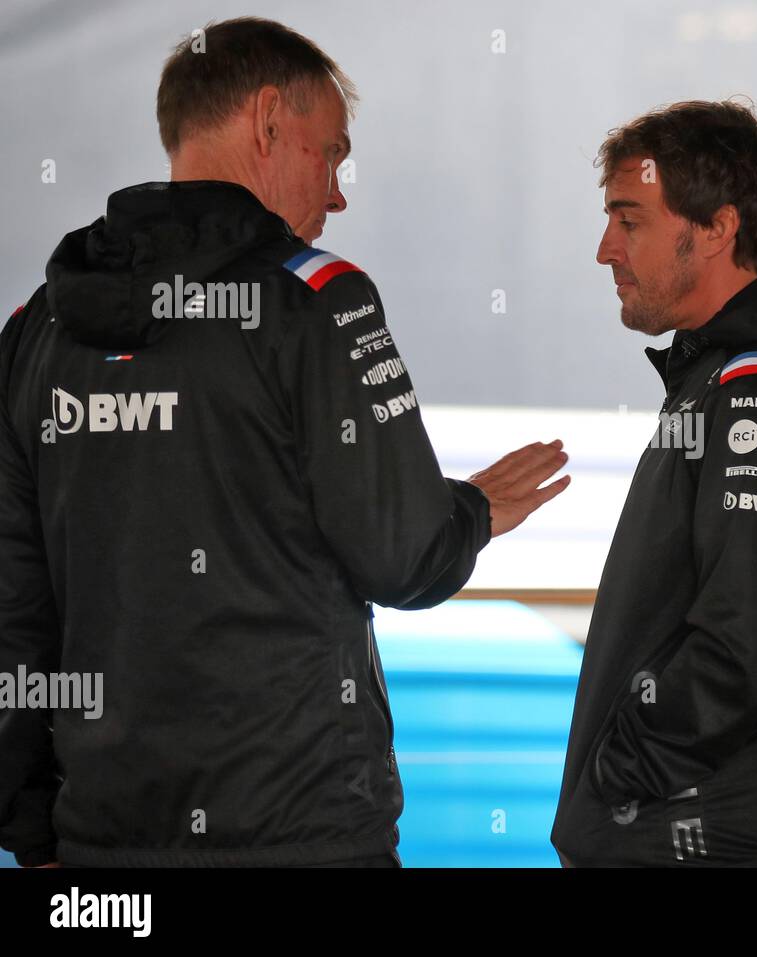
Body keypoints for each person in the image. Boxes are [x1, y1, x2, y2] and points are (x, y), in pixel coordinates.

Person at [0, 17, 568, 868]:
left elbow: (15, 612)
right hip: (302, 832)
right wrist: (472, 511)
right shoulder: (319, 302)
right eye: (332, 154)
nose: (338, 192)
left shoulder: (34, 329)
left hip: (103, 849)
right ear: (267, 120)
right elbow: (403, 556)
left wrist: (34, 830)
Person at [550, 99, 757, 866]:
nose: (606, 248)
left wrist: (622, 776)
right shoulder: (727, 376)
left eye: (628, 220)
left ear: (715, 228)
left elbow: (744, 640)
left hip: (699, 831)